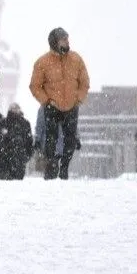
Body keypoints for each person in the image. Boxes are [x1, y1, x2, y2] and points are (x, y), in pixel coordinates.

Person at [30, 28, 90, 180]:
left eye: (67, 39)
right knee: (51, 138)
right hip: (52, 106)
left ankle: (64, 167)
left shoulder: (76, 59)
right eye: (63, 39)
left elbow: (85, 82)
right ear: (54, 42)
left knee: (70, 139)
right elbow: (35, 86)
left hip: (71, 106)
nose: (67, 42)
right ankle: (51, 166)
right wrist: (46, 101)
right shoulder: (43, 62)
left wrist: (79, 99)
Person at [0, 103, 33, 180]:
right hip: (7, 159)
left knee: (16, 180)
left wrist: (27, 155)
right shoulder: (4, 122)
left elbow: (29, 141)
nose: (14, 111)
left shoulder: (25, 123)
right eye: (13, 109)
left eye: (16, 109)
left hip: (18, 158)